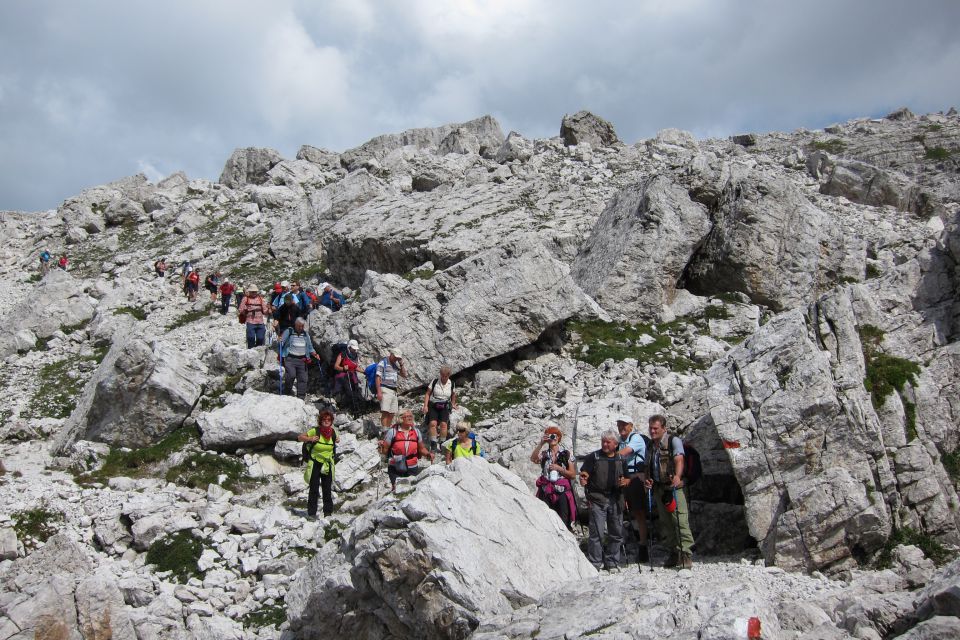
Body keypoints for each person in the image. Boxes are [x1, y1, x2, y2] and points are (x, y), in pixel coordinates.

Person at [644, 415, 694, 569]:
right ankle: (674, 553)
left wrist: (678, 477)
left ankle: (685, 554)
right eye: (651, 428)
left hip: (673, 488)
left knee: (680, 519)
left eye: (655, 428)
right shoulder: (651, 445)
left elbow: (679, 459)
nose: (652, 431)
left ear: (664, 428)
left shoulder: (673, 441)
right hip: (659, 488)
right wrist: (648, 480)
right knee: (666, 522)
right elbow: (649, 466)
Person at [579, 430, 629, 571]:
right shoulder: (593, 457)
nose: (605, 444)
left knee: (616, 532)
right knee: (597, 532)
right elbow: (584, 473)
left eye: (608, 442)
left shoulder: (621, 459)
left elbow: (628, 477)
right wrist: (583, 478)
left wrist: (625, 482)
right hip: (597, 499)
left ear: (615, 443)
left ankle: (612, 561)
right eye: (603, 441)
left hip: (616, 498)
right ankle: (595, 562)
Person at [530, 425, 577, 531]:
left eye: (555, 435)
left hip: (562, 492)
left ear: (559, 437)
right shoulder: (545, 454)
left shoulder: (567, 454)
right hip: (546, 490)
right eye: (550, 436)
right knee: (545, 519)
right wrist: (541, 443)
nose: (553, 438)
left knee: (563, 521)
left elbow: (573, 475)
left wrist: (559, 469)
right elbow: (533, 459)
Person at [617, 415, 650, 562]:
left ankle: (643, 546)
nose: (621, 427)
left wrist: (607, 456)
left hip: (637, 476)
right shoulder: (621, 441)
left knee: (639, 512)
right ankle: (638, 542)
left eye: (624, 425)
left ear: (631, 426)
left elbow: (625, 453)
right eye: (619, 424)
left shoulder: (635, 439)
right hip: (626, 476)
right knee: (632, 511)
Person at [298, 410, 340, 519]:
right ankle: (312, 513)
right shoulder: (315, 431)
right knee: (314, 488)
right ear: (320, 421)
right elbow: (300, 437)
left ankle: (328, 513)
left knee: (327, 488)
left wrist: (337, 439)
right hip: (315, 462)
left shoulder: (333, 432)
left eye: (328, 420)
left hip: (327, 463)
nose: (326, 421)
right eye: (324, 419)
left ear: (331, 421)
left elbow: (337, 440)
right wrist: (310, 438)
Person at [379, 410, 433, 492]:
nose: (410, 418)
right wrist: (381, 448)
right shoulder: (392, 432)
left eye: (411, 416)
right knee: (396, 489)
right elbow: (385, 450)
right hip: (395, 465)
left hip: (412, 465)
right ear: (401, 418)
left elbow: (421, 448)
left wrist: (428, 454)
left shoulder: (416, 432)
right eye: (407, 416)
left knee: (411, 490)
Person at [277, 317, 319, 400]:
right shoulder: (289, 331)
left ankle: (301, 398)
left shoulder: (306, 334)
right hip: (290, 359)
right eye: (299, 326)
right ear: (295, 325)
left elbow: (310, 347)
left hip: (303, 360)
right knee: (291, 375)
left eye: (302, 326)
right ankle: (287, 392)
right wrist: (280, 341)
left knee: (303, 379)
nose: (301, 328)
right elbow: (281, 342)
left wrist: (314, 353)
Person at [422, 365, 457, 452]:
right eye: (442, 375)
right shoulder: (434, 382)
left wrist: (453, 404)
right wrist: (425, 406)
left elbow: (453, 394)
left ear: (449, 375)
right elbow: (427, 394)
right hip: (434, 405)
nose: (444, 377)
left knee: (443, 425)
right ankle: (433, 443)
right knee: (433, 423)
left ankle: (442, 443)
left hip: (445, 405)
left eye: (446, 376)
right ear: (440, 374)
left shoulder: (451, 383)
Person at [375, 348, 407, 431]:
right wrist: (379, 392)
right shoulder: (383, 363)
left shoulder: (395, 365)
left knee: (392, 413)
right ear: (391, 354)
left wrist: (401, 364)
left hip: (394, 391)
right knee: (385, 412)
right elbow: (377, 377)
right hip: (385, 389)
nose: (396, 358)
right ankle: (384, 432)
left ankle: (387, 430)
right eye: (395, 357)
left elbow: (404, 375)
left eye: (398, 358)